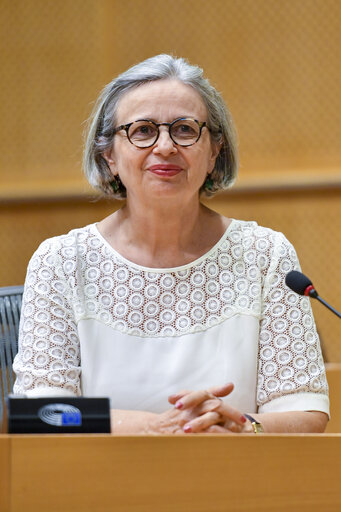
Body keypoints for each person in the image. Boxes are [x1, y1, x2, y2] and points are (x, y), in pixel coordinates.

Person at [13, 54, 329, 434]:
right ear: (109, 154)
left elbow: (305, 412)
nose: (165, 146)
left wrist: (242, 427)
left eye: (184, 130)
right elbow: (43, 414)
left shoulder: (266, 255)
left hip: (236, 479)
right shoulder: (61, 261)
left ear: (213, 151)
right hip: (98, 483)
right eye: (143, 130)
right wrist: (152, 429)